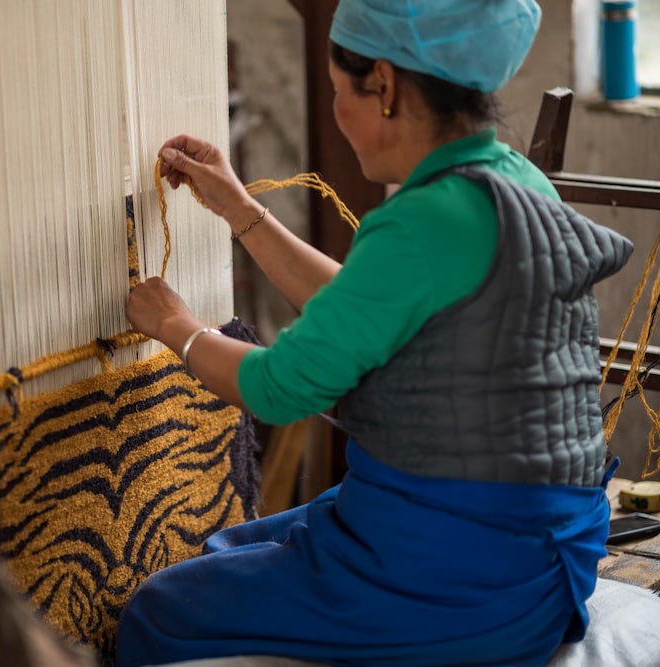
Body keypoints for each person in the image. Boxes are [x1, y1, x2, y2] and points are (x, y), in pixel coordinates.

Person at [118, 1, 635, 666]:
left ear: (384, 86)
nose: (337, 109)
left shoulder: (425, 218)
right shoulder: (513, 180)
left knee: (159, 611)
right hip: (543, 556)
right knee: (229, 550)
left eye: (339, 91)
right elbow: (361, 307)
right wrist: (236, 206)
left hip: (465, 579)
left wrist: (175, 326)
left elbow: (280, 388)